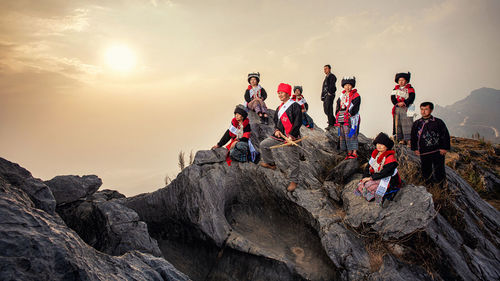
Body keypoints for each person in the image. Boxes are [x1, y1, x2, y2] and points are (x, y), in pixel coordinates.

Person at [259, 83, 303, 192]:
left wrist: (291, 135)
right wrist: (277, 130)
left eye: (282, 93)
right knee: (264, 145)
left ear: (288, 93)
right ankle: (271, 163)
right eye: (278, 93)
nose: (280, 95)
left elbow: (298, 122)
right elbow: (277, 122)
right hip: (280, 135)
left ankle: (294, 180)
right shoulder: (279, 108)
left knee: (293, 160)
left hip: (291, 136)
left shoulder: (295, 105)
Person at [411, 102, 451, 186]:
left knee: (439, 171)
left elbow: (445, 135)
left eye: (426, 109)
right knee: (426, 171)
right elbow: (413, 137)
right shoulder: (417, 123)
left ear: (431, 110)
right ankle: (429, 188)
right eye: (422, 109)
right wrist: (415, 148)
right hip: (424, 152)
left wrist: (444, 148)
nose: (423, 111)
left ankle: (441, 188)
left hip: (437, 151)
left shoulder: (438, 122)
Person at [356, 132, 402, 204]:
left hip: (388, 179)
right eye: (378, 143)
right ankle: (368, 192)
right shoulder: (375, 154)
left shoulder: (390, 158)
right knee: (361, 183)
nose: (379, 146)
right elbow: (368, 167)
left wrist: (370, 178)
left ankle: (371, 195)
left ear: (386, 146)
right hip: (377, 176)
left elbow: (385, 173)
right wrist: (365, 177)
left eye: (382, 144)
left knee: (368, 185)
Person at [335, 76, 361, 159]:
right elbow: (338, 105)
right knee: (343, 135)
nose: (347, 87)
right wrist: (337, 114)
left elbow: (356, 107)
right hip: (342, 117)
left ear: (352, 86)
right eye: (346, 85)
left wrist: (350, 113)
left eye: (349, 85)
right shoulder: (341, 96)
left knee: (352, 134)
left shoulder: (356, 96)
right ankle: (349, 153)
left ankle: (354, 152)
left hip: (351, 118)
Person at [391, 72, 416, 145]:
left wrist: (405, 102)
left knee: (408, 123)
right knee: (398, 123)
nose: (401, 82)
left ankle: (409, 140)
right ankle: (401, 139)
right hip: (398, 108)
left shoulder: (410, 88)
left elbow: (412, 97)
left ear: (406, 81)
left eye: (403, 80)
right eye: (399, 80)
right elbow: (392, 98)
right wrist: (397, 103)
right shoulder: (395, 89)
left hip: (408, 108)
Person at [321, 65, 337, 130]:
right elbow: (323, 87)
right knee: (326, 109)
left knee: (329, 108)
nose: (325, 70)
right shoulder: (326, 77)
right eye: (324, 69)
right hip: (325, 96)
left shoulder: (332, 76)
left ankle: (331, 123)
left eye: (326, 69)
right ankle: (333, 121)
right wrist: (322, 96)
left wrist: (330, 93)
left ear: (330, 69)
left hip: (329, 95)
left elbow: (333, 85)